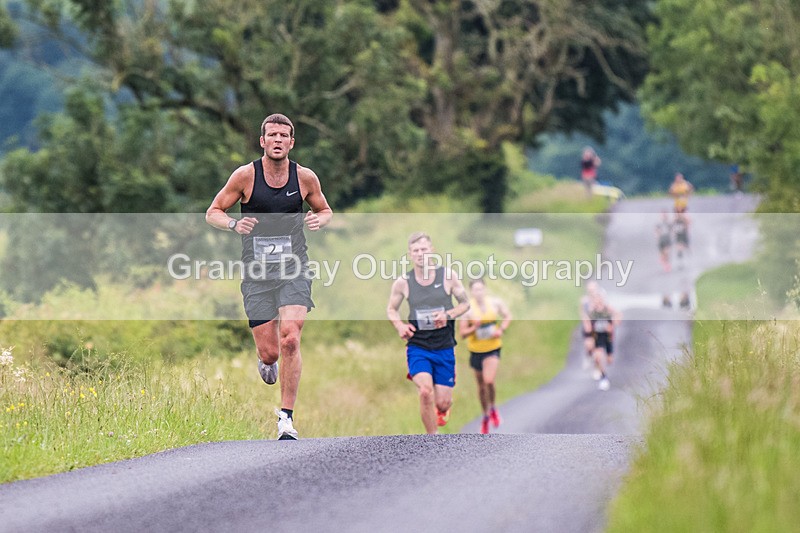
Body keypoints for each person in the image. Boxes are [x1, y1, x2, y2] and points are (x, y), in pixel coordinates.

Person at [206, 113, 332, 440]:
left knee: (291, 335)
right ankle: (266, 359)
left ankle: (286, 418)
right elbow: (213, 212)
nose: (277, 140)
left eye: (283, 135)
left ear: (292, 142)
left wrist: (321, 220)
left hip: (294, 268)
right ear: (262, 141)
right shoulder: (245, 176)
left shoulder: (304, 178)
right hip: (257, 273)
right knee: (271, 352)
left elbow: (325, 209)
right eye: (271, 135)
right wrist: (234, 224)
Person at [387, 232, 470, 435]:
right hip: (418, 346)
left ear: (432, 250)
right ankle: (432, 439)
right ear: (410, 254)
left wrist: (448, 315)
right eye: (416, 251)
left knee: (442, 402)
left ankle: (442, 408)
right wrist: (400, 326)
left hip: (444, 346)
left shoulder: (448, 276)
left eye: (424, 249)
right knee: (425, 392)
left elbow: (465, 304)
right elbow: (391, 309)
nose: (420, 254)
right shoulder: (403, 282)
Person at [459, 278, 512, 435]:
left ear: (485, 290)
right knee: (481, 386)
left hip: (493, 347)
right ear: (471, 292)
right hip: (475, 350)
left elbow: (508, 316)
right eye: (475, 290)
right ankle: (485, 416)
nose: (479, 292)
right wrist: (473, 328)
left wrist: (501, 329)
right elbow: (462, 333)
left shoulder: (495, 303)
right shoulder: (467, 309)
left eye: (481, 289)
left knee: (489, 380)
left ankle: (494, 407)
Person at [582, 290, 621, 391]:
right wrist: (589, 335)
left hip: (607, 338)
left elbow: (618, 316)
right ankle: (604, 378)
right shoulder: (591, 312)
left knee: (609, 360)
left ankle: (600, 367)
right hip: (597, 337)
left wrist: (613, 325)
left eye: (600, 300)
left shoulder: (608, 309)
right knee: (598, 357)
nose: (598, 302)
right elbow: (587, 326)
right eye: (596, 300)